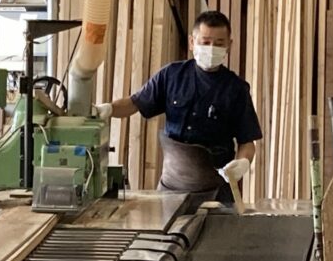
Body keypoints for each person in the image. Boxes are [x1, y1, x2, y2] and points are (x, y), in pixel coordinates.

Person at [96, 10, 262, 206]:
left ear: (229, 46)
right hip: (171, 186)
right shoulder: (171, 76)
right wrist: (105, 110)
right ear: (192, 42)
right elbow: (134, 103)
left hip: (216, 190)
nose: (211, 49)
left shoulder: (236, 89)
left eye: (218, 44)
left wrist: (242, 163)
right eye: (205, 42)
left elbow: (247, 142)